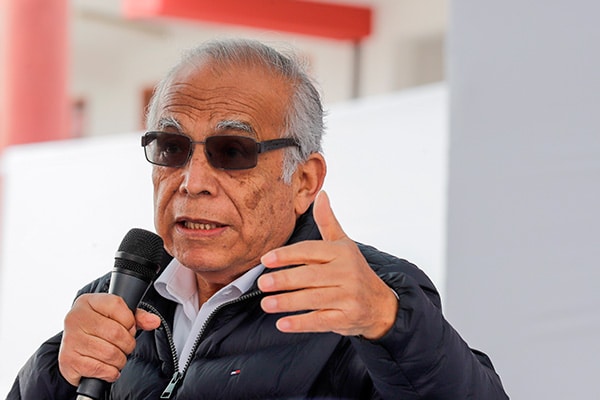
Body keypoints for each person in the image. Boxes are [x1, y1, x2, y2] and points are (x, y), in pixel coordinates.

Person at [8, 38, 508, 399]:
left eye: (232, 151)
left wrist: (390, 324)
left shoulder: (369, 298)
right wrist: (57, 372)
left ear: (304, 181)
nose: (192, 182)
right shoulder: (118, 296)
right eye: (172, 148)